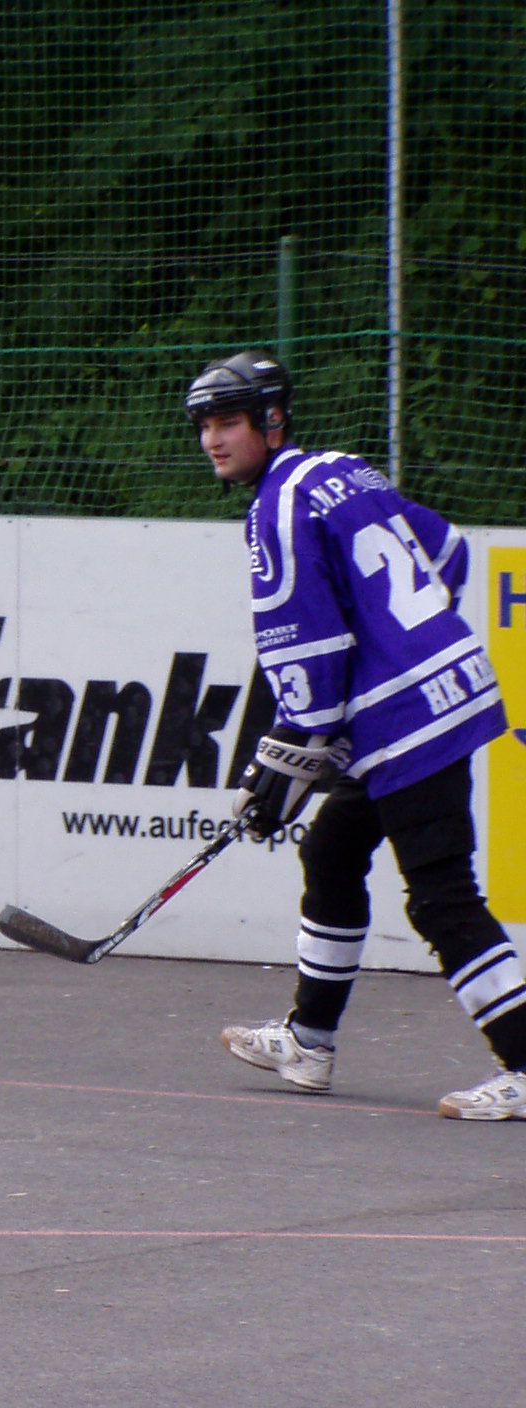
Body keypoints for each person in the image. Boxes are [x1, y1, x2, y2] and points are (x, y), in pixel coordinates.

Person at [185, 349, 526, 1120]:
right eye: (204, 425)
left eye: (229, 422)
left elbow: (308, 644)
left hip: (409, 723)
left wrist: (289, 754)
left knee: (440, 897)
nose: (213, 439)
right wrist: (404, 653)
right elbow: (448, 552)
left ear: (272, 420)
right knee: (333, 847)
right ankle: (309, 1041)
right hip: (435, 697)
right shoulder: (345, 471)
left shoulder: (276, 505)